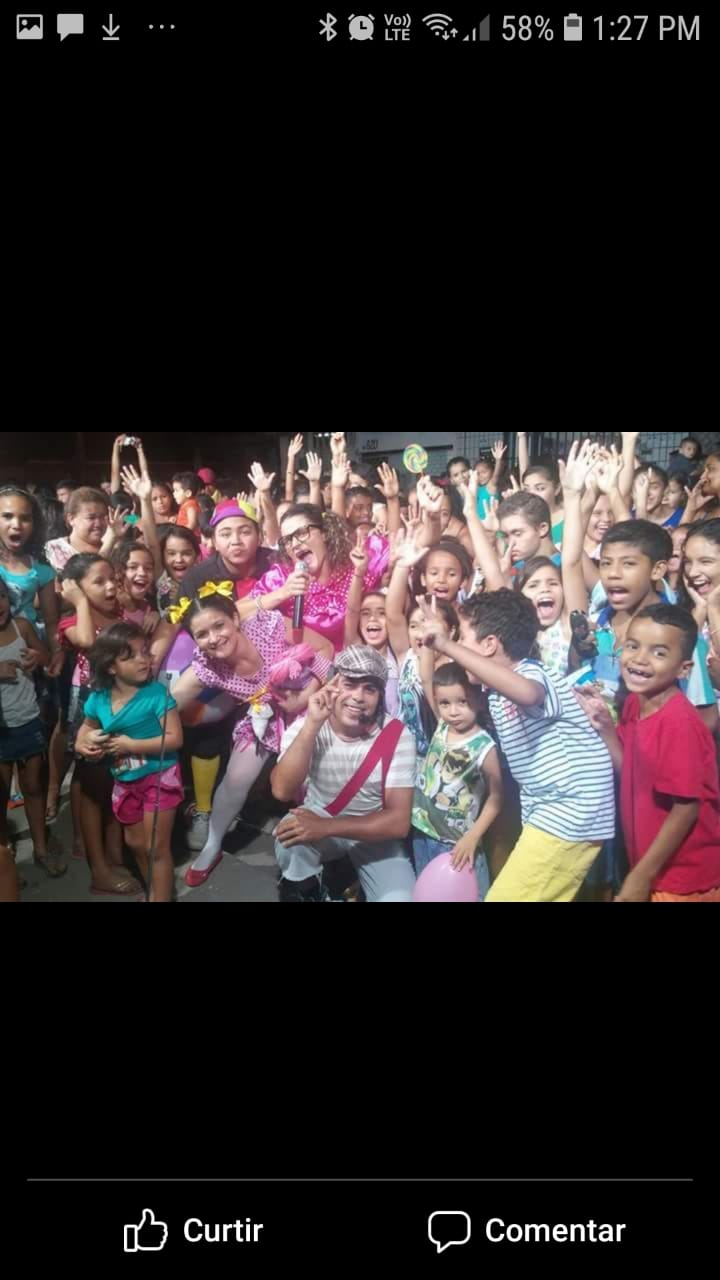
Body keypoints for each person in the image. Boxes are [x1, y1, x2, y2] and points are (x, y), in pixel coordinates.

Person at [419, 590, 616, 903]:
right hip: (553, 812)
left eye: (462, 639)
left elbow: (528, 694)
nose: (457, 648)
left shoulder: (530, 672)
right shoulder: (495, 692)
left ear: (489, 645)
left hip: (570, 812)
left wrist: (446, 645)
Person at [171, 592, 331, 887]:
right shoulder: (206, 664)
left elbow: (326, 648)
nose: (214, 638)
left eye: (219, 625)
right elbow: (171, 700)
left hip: (311, 701)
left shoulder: (267, 625)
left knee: (318, 778)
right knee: (235, 779)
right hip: (263, 716)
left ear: (235, 618)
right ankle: (212, 846)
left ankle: (328, 846)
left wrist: (304, 699)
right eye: (202, 634)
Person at [578, 605, 720, 902]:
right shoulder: (635, 703)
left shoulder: (678, 723)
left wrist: (641, 876)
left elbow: (686, 809)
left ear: (683, 669)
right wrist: (605, 726)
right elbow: (629, 767)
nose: (640, 658)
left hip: (685, 879)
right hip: (652, 868)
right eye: (633, 646)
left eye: (659, 652)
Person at [272, 646, 417, 903]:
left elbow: (398, 822)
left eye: (369, 689)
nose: (358, 697)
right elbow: (282, 791)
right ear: (331, 686)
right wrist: (312, 725)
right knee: (289, 838)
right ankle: (309, 889)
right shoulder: (309, 724)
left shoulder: (397, 735)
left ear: (380, 697)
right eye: (349, 684)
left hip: (372, 829)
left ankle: (346, 874)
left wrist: (326, 828)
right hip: (321, 812)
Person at [77, 624, 184, 903]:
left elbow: (174, 739)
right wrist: (82, 743)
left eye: (145, 652)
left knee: (156, 848)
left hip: (159, 776)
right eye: (131, 656)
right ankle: (155, 891)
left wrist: (130, 745)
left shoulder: (157, 694)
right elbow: (87, 726)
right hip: (124, 780)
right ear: (110, 667)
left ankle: (161, 897)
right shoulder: (98, 699)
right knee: (135, 842)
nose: (143, 660)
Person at [412, 661, 502, 894]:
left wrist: (473, 837)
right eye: (445, 703)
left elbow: (496, 798)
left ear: (479, 700)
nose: (453, 711)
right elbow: (426, 678)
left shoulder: (484, 747)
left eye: (463, 701)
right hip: (422, 832)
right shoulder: (442, 725)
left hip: (457, 844)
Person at [249, 504, 385, 654]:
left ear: (324, 533)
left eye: (301, 533)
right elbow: (237, 613)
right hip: (303, 665)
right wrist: (283, 593)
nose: (294, 544)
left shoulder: (355, 568)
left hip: (351, 660)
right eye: (287, 540)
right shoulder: (280, 578)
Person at [0, 577, 66, 878]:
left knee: (34, 787)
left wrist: (40, 657)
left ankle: (40, 848)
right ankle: (4, 858)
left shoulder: (22, 627)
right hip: (2, 730)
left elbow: (47, 659)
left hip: (28, 720)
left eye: (1, 596)